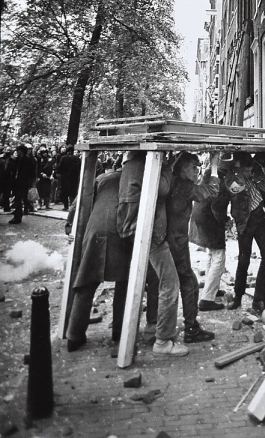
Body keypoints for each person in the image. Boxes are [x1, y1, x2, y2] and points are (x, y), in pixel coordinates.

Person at [117, 151, 188, 357]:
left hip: (135, 228)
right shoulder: (146, 163)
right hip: (150, 232)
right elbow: (162, 188)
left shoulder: (131, 163)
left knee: (154, 280)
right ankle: (163, 340)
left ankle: (151, 329)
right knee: (170, 284)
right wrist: (168, 166)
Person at [66, 169, 133, 352]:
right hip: (123, 234)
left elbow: (79, 202)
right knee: (125, 284)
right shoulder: (139, 177)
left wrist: (70, 226)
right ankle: (120, 333)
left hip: (96, 231)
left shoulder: (104, 178)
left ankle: (74, 335)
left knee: (86, 283)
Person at [166, 152, 220, 342]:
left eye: (199, 167)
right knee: (189, 283)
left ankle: (155, 328)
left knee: (163, 284)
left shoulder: (170, 181)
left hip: (166, 240)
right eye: (193, 167)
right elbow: (211, 191)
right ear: (182, 169)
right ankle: (191, 329)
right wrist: (214, 168)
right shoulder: (184, 186)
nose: (197, 171)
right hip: (175, 241)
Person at [222, 152, 265, 314]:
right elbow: (226, 195)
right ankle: (238, 296)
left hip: (259, 216)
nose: (249, 174)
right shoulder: (232, 177)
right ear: (238, 167)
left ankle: (258, 299)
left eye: (250, 170)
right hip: (244, 221)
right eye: (246, 171)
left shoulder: (255, 169)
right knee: (244, 259)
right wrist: (227, 221)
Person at [189, 160, 229, 311]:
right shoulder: (220, 177)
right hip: (210, 218)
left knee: (212, 254)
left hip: (201, 215)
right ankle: (206, 299)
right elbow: (217, 206)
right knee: (219, 256)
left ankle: (211, 289)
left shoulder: (209, 172)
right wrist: (226, 221)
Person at [9, 144, 36, 224]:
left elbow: (30, 172)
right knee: (17, 199)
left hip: (23, 183)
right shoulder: (18, 160)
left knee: (19, 199)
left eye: (18, 150)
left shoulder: (27, 160)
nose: (17, 152)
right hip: (17, 182)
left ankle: (18, 216)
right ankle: (18, 214)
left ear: (21, 151)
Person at [56, 144, 81, 212]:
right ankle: (72, 206)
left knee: (65, 192)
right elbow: (79, 169)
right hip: (74, 178)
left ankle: (65, 206)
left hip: (65, 178)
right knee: (72, 193)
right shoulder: (77, 159)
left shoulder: (63, 158)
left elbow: (59, 168)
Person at [36, 144, 54, 210]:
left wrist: (52, 175)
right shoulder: (39, 160)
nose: (45, 154)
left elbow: (52, 168)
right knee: (40, 191)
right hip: (41, 178)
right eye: (43, 153)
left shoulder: (50, 159)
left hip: (48, 178)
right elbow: (38, 168)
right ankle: (39, 204)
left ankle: (47, 204)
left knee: (47, 191)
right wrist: (41, 174)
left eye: (46, 153)